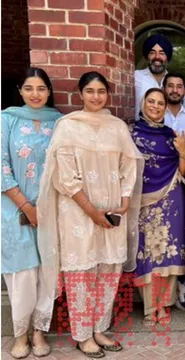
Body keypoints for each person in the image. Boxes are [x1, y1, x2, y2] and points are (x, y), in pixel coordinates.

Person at [38, 71, 143, 358]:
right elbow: (65, 177)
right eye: (90, 91)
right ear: (80, 94)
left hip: (112, 213)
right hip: (77, 214)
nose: (96, 97)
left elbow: (128, 166)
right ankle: (83, 336)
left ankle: (99, 329)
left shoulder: (118, 127)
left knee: (108, 272)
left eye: (101, 91)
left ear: (107, 94)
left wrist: (123, 202)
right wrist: (92, 211)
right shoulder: (68, 127)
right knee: (81, 274)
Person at [1, 67, 62, 359]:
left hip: (52, 208)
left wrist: (45, 207)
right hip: (14, 208)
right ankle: (20, 334)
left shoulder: (60, 123)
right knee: (22, 273)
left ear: (49, 92)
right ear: (20, 91)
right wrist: (26, 205)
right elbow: (1, 167)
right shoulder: (6, 120)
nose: (35, 94)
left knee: (48, 271)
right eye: (29, 88)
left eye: (41, 88)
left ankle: (40, 332)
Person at [131, 88, 185, 325]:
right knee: (147, 253)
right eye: (151, 102)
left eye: (160, 103)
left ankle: (164, 304)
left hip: (170, 198)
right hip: (143, 201)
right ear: (143, 103)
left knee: (168, 250)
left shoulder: (172, 135)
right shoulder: (130, 133)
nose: (156, 107)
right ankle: (150, 307)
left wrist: (183, 153)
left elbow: (183, 171)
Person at [135, 34, 173, 120]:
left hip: (168, 132)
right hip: (142, 131)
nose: (157, 57)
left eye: (162, 53)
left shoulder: (175, 83)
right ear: (147, 56)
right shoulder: (135, 77)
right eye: (152, 53)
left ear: (167, 57)